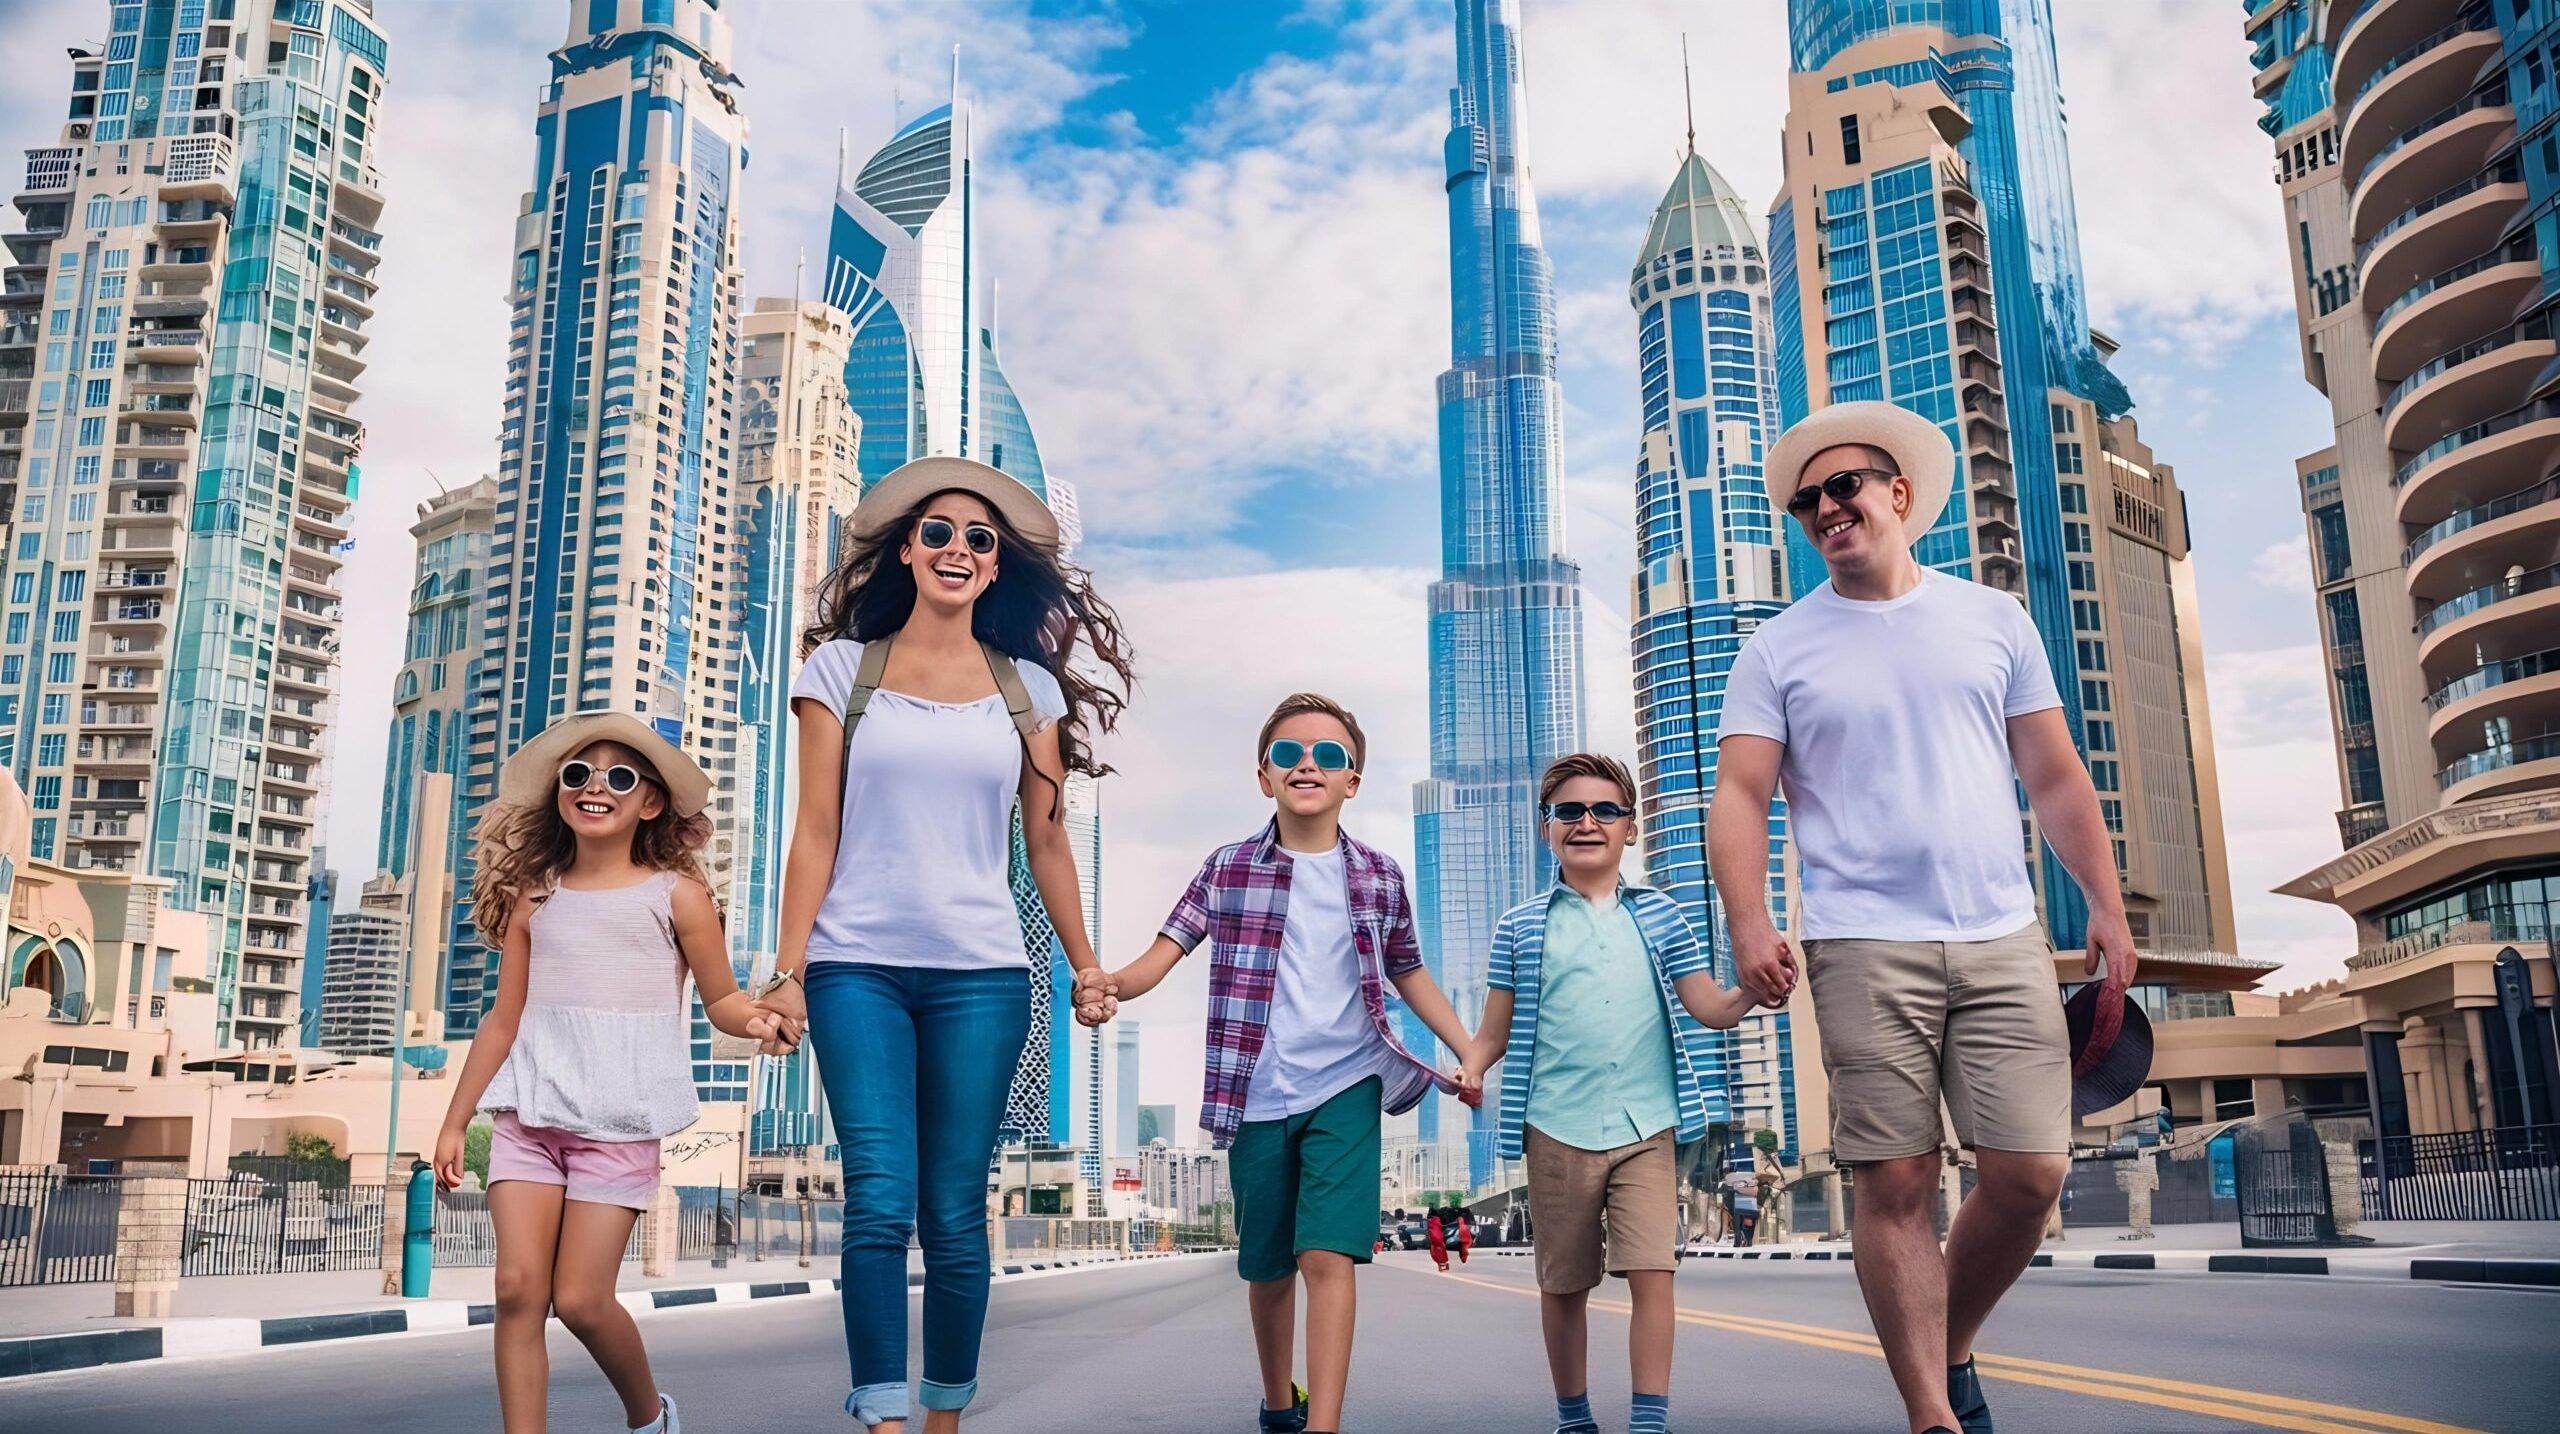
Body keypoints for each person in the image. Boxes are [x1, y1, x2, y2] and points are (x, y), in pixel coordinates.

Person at [1708, 400, 2138, 1434]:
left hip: (2002, 933)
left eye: (1843, 487)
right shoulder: (1777, 648)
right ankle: (1931, 1417)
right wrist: (1750, 921)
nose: (1824, 509)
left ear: (1899, 493)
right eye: (1807, 502)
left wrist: (2106, 907)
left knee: (2032, 1172)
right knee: (1894, 1178)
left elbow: (2055, 777)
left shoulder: (1992, 619)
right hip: (1859, 942)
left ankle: (1941, 1346)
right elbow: (1739, 797)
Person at [754, 456, 1134, 1433]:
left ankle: (943, 1417)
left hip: (984, 978)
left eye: (979, 538)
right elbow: (815, 832)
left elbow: (1045, 841)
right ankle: (882, 1415)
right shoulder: (840, 670)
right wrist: (789, 973)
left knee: (958, 1218)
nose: (958, 548)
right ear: (907, 552)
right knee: (880, 1200)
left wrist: (1085, 963)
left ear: (997, 565)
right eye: (939, 533)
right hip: (855, 971)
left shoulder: (1029, 691)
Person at [1076, 693, 1479, 1434]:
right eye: (1289, 753)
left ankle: (1321, 1424)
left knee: (1327, 1255)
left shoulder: (1380, 876)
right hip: (1255, 1091)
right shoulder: (1227, 868)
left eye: (1328, 755)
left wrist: (1469, 1048)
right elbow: (1162, 955)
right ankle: (1277, 1402)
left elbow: (1410, 974)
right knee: (1268, 1267)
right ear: (1263, 777)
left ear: (1351, 782)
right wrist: (1108, 985)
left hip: (1348, 1084)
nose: (1307, 764)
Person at [433, 712, 781, 1434]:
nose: (596, 786)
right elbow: (504, 1018)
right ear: (560, 792)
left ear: (649, 802)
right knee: (517, 1288)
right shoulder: (536, 895)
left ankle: (650, 1417)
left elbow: (720, 1000)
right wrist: (453, 1119)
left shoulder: (676, 897)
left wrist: (759, 1021)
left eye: (619, 776)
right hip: (528, 1118)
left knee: (583, 1300)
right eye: (578, 774)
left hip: (620, 1122)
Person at [1469, 753, 1760, 1434]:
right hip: (1554, 1126)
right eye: (1569, 811)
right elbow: (1493, 1031)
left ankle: (1648, 1423)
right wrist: (1472, 1068)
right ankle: (1574, 1418)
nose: (1587, 822)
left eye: (1606, 810)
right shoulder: (1519, 926)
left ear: (1631, 829)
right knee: (1564, 1283)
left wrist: (1754, 987)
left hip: (1647, 1125)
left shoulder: (1662, 916)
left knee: (1653, 1273)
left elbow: (1711, 1008)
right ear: (1547, 828)